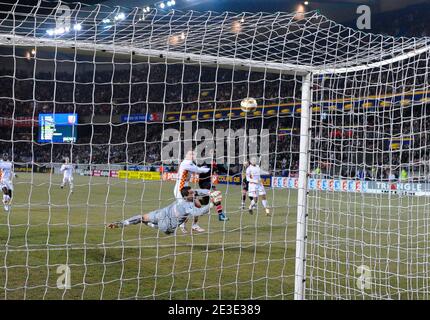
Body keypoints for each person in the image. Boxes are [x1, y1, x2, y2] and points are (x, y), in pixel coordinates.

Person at [107, 186, 222, 234]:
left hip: (165, 218)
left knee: (143, 219)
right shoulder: (187, 206)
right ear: (187, 196)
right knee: (143, 218)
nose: (194, 193)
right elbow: (199, 212)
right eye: (192, 193)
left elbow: (198, 191)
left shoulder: (186, 197)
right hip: (164, 219)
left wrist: (209, 192)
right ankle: (120, 224)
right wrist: (212, 203)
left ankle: (126, 223)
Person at [174, 150, 211, 233]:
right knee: (188, 209)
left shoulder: (190, 163)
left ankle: (194, 225)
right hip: (180, 190)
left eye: (194, 154)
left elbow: (198, 169)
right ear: (186, 155)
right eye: (191, 154)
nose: (193, 156)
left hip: (187, 189)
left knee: (198, 205)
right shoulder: (186, 163)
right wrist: (209, 169)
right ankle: (181, 224)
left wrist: (204, 168)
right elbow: (198, 170)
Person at [198, 156, 228, 221]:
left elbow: (224, 170)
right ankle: (220, 215)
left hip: (208, 184)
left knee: (205, 202)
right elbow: (201, 174)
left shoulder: (214, 164)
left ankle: (193, 202)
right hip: (204, 185)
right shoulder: (205, 165)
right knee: (216, 196)